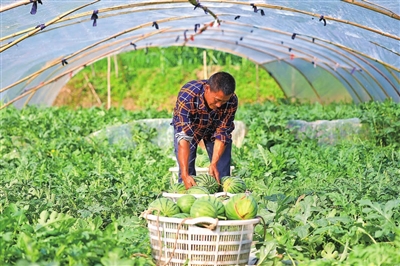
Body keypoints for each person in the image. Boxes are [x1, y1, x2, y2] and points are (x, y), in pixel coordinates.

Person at [171, 71, 238, 189]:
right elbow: (184, 137)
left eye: (223, 101)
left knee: (220, 171)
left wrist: (213, 163)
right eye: (217, 100)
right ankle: (189, 197)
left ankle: (221, 200)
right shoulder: (188, 96)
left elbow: (222, 133)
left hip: (214, 128)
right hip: (190, 128)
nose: (219, 105)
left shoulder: (231, 101)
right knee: (187, 172)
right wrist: (185, 174)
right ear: (207, 88)